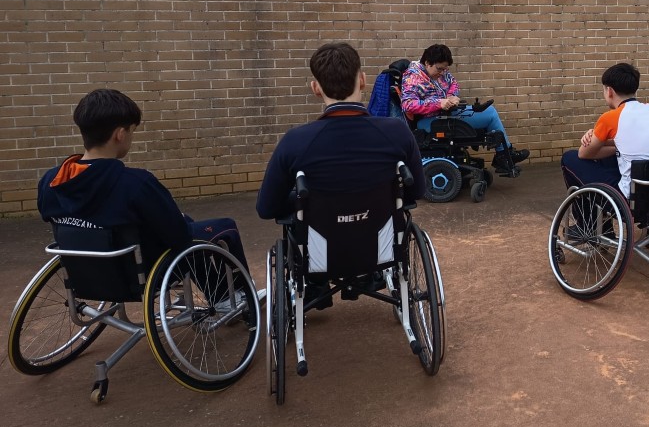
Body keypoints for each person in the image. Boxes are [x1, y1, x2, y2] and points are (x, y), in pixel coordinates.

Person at [38, 88, 254, 274]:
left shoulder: (51, 180)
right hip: (142, 272)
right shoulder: (135, 183)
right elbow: (178, 237)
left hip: (87, 272)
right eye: (132, 131)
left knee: (182, 221)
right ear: (120, 134)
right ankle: (236, 298)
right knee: (223, 227)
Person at [257, 41, 426, 220]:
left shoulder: (294, 141)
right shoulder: (397, 132)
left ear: (315, 88)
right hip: (381, 242)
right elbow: (417, 191)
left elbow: (267, 208)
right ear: (362, 80)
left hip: (319, 244)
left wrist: (305, 199)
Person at [400, 43, 529, 175]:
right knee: (490, 115)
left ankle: (504, 154)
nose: (443, 72)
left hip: (445, 114)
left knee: (489, 111)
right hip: (431, 120)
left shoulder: (440, 72)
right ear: (427, 63)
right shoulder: (413, 77)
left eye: (445, 69)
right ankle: (504, 155)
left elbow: (453, 83)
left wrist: (452, 95)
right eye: (440, 69)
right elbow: (408, 105)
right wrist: (438, 103)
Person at [561, 62, 649, 197]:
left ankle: (583, 216)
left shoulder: (611, 117)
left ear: (609, 91)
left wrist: (599, 140)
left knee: (570, 157)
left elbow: (584, 154)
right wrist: (618, 147)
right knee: (611, 159)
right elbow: (630, 142)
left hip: (632, 198)